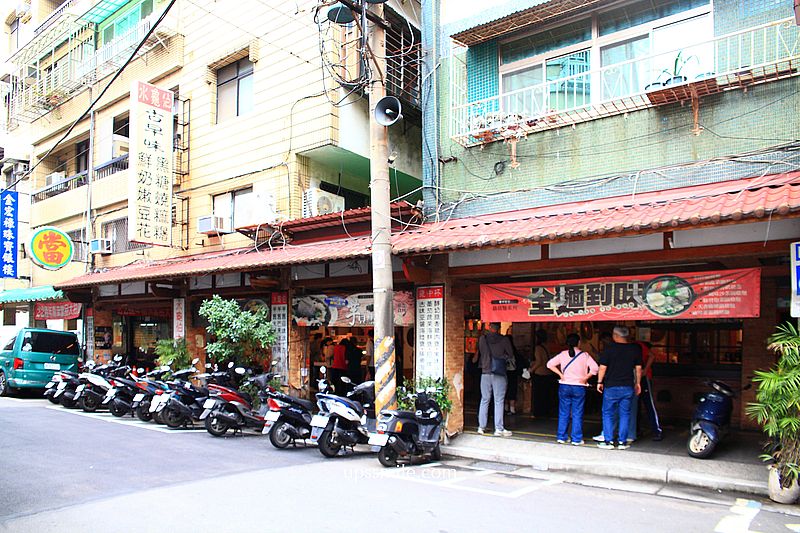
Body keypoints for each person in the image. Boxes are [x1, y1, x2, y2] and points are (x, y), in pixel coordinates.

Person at [547, 333, 599, 445]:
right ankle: (576, 439)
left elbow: (549, 364)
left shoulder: (563, 354)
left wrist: (560, 375)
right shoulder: (585, 355)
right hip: (579, 386)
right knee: (577, 413)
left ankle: (562, 437)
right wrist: (585, 378)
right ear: (579, 343)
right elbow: (595, 368)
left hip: (564, 385)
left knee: (563, 412)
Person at [596, 326, 642, 450]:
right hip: (627, 386)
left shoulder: (609, 349)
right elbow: (638, 369)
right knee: (625, 414)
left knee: (608, 414)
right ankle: (622, 442)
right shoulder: (635, 350)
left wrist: (599, 382)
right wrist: (638, 383)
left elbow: (602, 367)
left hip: (611, 386)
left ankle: (608, 441)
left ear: (615, 336)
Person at [472, 322, 514, 437]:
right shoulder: (504, 340)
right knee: (499, 400)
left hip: (485, 372)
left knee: (484, 399)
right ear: (499, 328)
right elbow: (510, 354)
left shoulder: (482, 339)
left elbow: (479, 353)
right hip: (499, 372)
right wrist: (502, 357)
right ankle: (498, 429)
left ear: (489, 327)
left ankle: (481, 427)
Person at [637, 341, 663, 441]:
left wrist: (645, 370)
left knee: (648, 404)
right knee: (636, 405)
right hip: (636, 376)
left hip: (644, 377)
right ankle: (637, 430)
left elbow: (652, 356)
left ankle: (656, 431)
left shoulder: (638, 344)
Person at [531, 329, 554, 418]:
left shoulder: (538, 348)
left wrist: (531, 370)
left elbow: (539, 361)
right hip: (548, 373)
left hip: (540, 373)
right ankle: (546, 411)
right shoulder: (547, 346)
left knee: (538, 395)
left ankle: (538, 413)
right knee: (546, 395)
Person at [504, 327, 524, 416]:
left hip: (504, 373)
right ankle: (512, 409)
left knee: (504, 390)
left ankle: (505, 407)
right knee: (512, 390)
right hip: (513, 373)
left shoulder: (503, 352)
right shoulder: (515, 352)